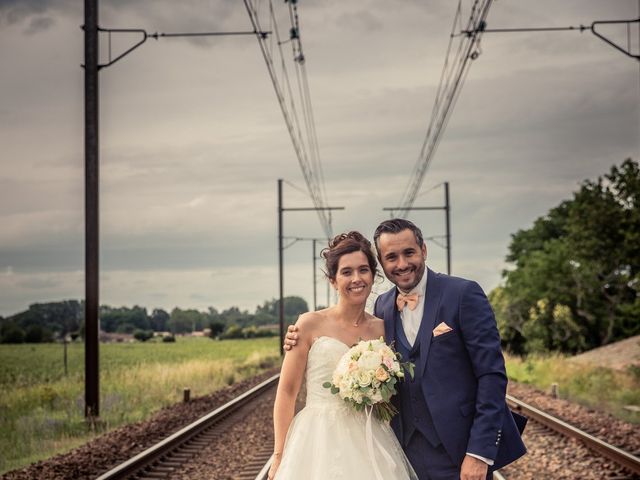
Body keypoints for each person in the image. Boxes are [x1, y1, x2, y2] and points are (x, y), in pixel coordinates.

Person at [286, 219, 526, 480]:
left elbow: (491, 376)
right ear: (382, 262)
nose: (401, 264)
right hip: (402, 452)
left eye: (408, 252)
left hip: (459, 451)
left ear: (423, 250)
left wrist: (479, 453)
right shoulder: (383, 308)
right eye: (391, 257)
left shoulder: (462, 294)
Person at [269, 231, 418, 480]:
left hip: (371, 438)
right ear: (333, 280)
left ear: (373, 275)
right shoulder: (308, 324)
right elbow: (287, 392)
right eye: (346, 272)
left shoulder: (383, 327)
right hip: (318, 437)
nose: (356, 279)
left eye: (363, 270)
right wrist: (278, 455)